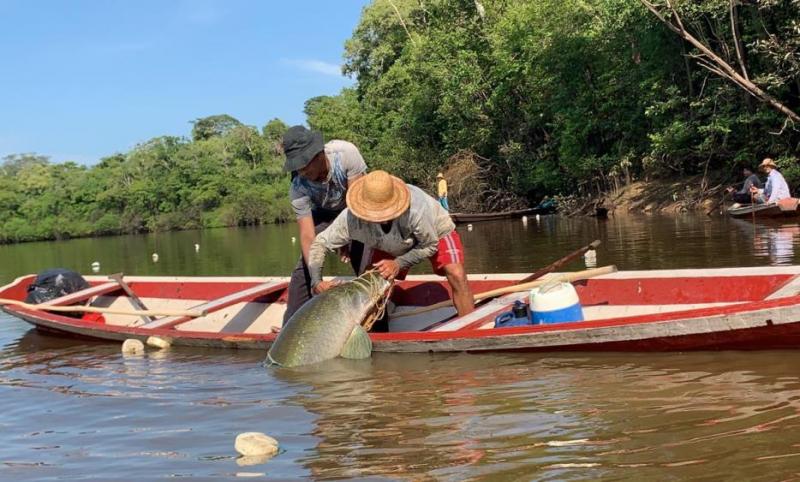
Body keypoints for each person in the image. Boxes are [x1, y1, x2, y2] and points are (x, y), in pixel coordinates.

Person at [308, 170, 476, 320]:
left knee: (457, 273)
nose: (381, 216)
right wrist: (316, 282)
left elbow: (430, 245)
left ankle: (469, 329)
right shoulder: (350, 219)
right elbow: (320, 243)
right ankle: (378, 321)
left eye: (384, 210)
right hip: (391, 243)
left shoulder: (416, 209)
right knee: (371, 283)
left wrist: (398, 263)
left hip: (435, 233)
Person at [281, 125, 368, 324]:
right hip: (324, 214)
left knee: (363, 257)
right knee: (305, 267)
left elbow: (356, 206)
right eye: (298, 167)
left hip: (358, 209)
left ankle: (378, 324)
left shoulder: (345, 154)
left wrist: (343, 239)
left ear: (319, 153)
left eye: (305, 165)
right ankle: (292, 325)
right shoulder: (297, 187)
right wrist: (316, 279)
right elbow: (307, 236)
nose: (302, 171)